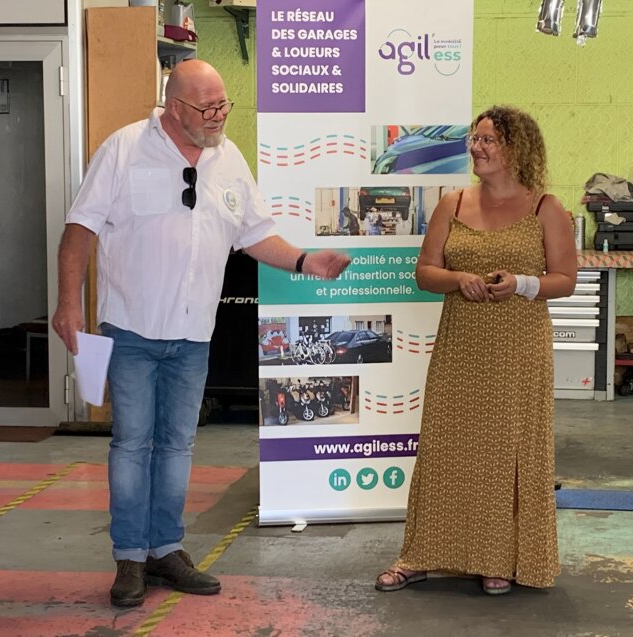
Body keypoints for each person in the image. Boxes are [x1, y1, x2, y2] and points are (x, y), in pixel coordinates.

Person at [51, 59, 350, 608]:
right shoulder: (122, 149)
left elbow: (256, 235)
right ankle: (129, 559)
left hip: (193, 334)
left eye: (223, 105)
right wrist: (68, 301)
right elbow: (79, 230)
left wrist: (308, 260)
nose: (218, 117)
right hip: (132, 329)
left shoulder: (228, 159)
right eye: (207, 108)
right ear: (174, 106)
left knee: (177, 447)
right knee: (132, 445)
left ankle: (166, 550)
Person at [375, 105, 577, 595]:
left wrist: (522, 283)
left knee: (505, 453)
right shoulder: (452, 202)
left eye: (489, 140)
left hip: (518, 350)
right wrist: (458, 279)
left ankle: (497, 558)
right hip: (461, 346)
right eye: (475, 138)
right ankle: (421, 554)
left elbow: (566, 280)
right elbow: (425, 273)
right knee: (446, 447)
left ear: (517, 149)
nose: (477, 148)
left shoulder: (545, 208)